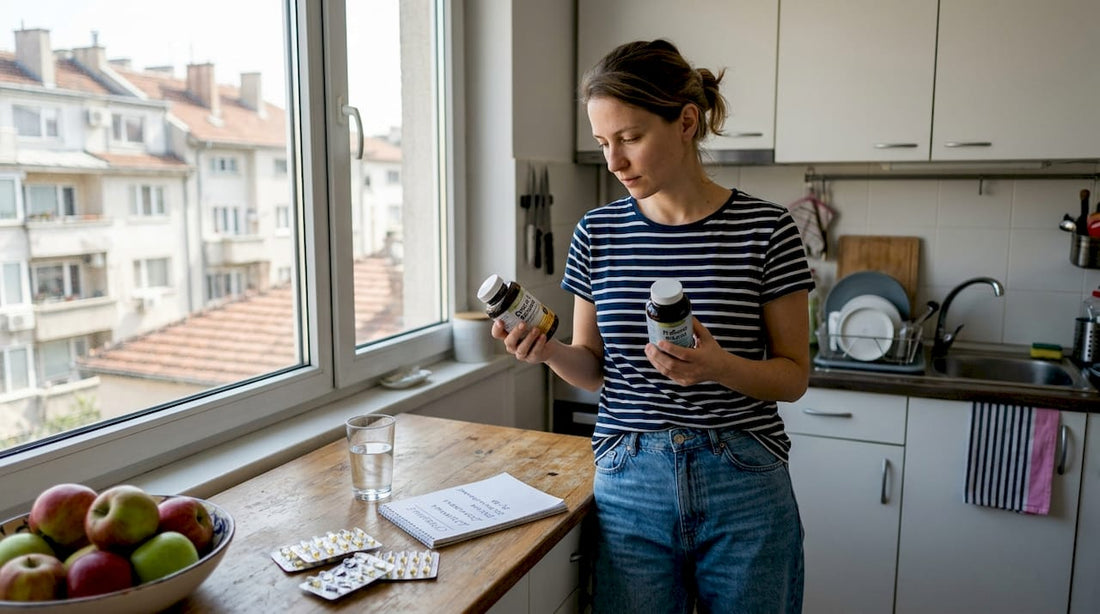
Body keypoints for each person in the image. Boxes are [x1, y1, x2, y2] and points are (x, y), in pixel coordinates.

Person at [492, 39, 813, 613]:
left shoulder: (767, 229)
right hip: (630, 478)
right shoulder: (597, 233)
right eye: (602, 143)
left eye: (630, 138)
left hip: (743, 477)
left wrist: (720, 367)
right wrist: (549, 352)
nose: (613, 162)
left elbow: (793, 378)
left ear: (686, 121)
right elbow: (592, 370)